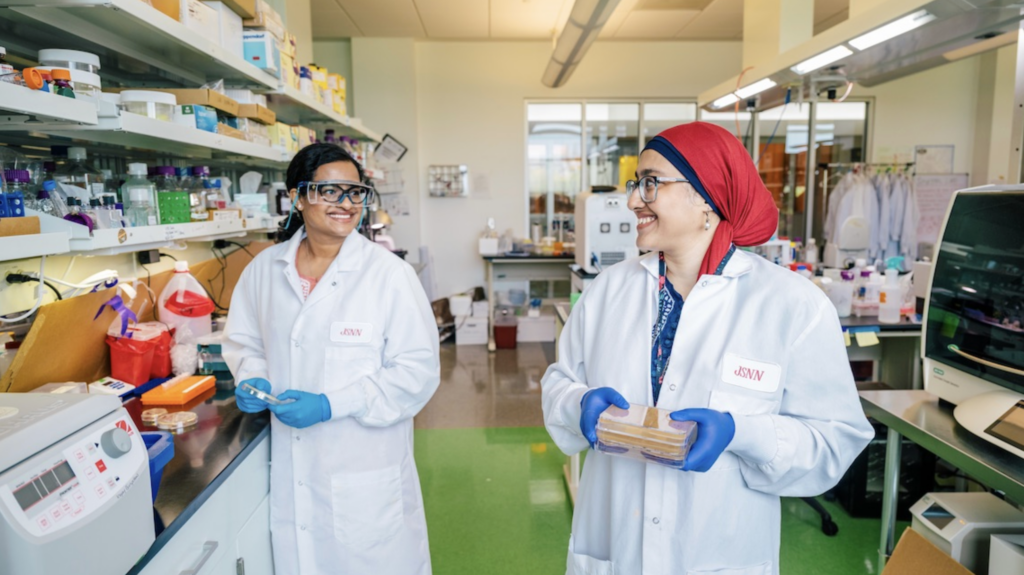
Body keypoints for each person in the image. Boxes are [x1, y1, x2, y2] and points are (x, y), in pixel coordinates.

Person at [541, 122, 874, 575]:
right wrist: (578, 402)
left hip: (718, 554)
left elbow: (835, 440)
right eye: (636, 183)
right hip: (615, 550)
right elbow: (558, 381)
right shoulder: (607, 291)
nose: (634, 199)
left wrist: (741, 434)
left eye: (651, 183)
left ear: (706, 199)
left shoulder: (791, 305)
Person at [223, 143, 440, 575]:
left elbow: (417, 372)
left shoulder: (388, 275)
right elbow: (245, 343)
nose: (346, 203)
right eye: (330, 191)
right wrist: (253, 377)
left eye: (355, 192)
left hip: (364, 470)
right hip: (293, 466)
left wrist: (331, 405)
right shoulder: (264, 270)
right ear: (297, 197)